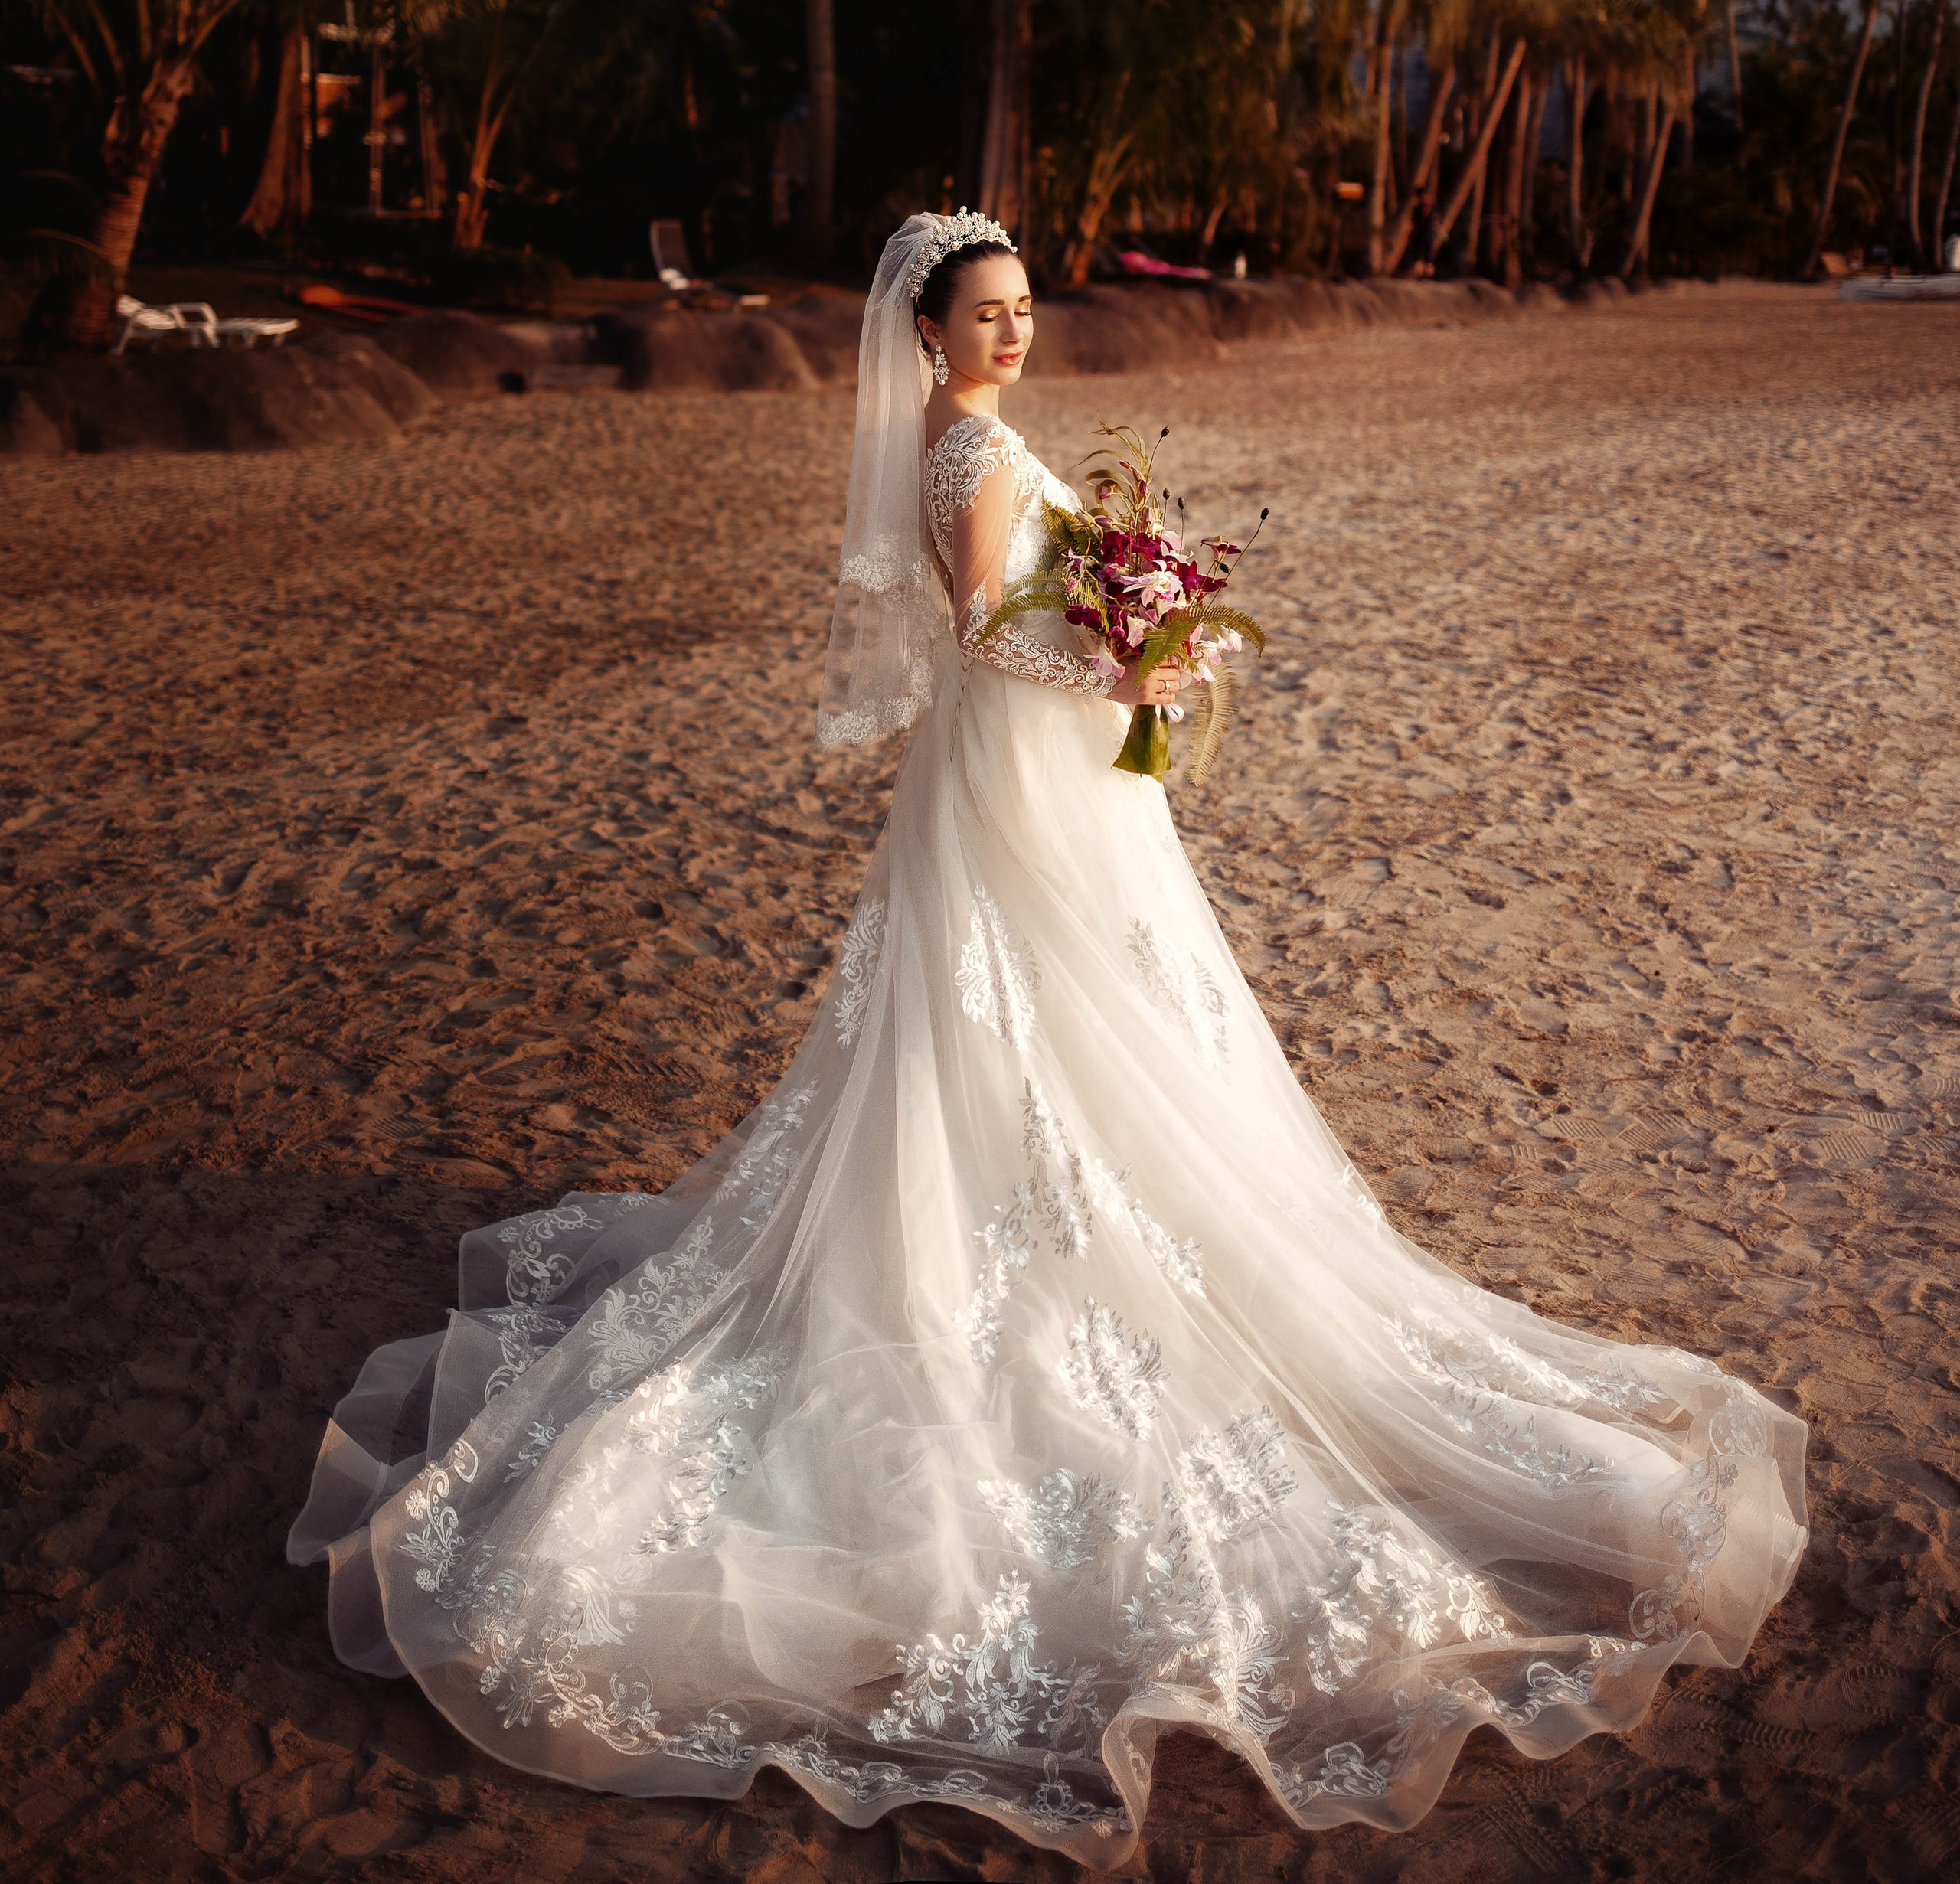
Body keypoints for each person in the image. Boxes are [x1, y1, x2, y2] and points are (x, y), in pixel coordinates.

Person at [290, 208, 1806, 1865]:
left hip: (1026, 778)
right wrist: (1130, 647)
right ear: (928, 333)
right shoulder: (972, 460)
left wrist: (1124, 631)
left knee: (1054, 1025)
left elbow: (994, 625)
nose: (1012, 335)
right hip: (1026, 774)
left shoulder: (972, 438)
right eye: (986, 315)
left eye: (1022, 312)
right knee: (1060, 1018)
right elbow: (980, 633)